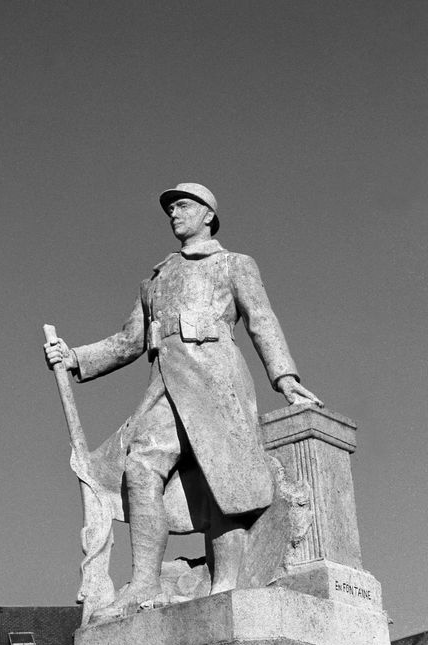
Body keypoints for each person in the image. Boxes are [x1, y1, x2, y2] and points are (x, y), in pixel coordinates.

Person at [44, 183, 322, 615]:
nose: (174, 214)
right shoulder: (157, 278)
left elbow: (261, 320)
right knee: (139, 465)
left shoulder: (233, 264)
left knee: (223, 481)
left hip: (218, 383)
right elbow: (129, 341)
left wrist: (284, 378)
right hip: (167, 387)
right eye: (170, 208)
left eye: (183, 206)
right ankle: (143, 583)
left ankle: (226, 581)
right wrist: (75, 357)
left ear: (208, 214)